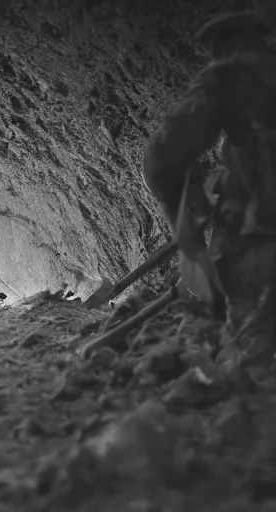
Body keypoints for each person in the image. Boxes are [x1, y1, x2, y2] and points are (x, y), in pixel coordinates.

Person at [142, 12, 276, 373]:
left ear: (225, 47)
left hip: (263, 233)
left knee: (252, 353)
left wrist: (187, 231)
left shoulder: (230, 76)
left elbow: (163, 160)